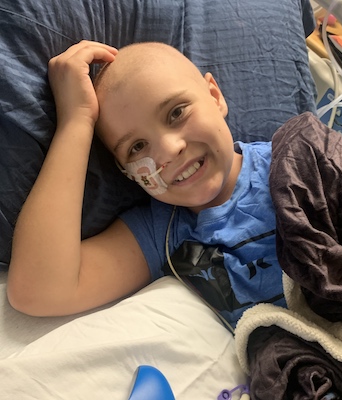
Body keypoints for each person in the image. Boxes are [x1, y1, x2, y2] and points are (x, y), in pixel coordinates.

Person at [6, 40, 285, 325]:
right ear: (127, 171)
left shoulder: (293, 161)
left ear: (214, 96)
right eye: (137, 147)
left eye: (176, 113)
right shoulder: (162, 234)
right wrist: (75, 120)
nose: (168, 150)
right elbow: (39, 290)